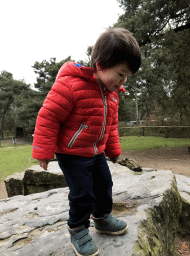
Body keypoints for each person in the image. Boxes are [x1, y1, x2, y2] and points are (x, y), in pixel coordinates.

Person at [32, 27, 141, 256]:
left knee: (104, 184)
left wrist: (113, 150)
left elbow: (110, 127)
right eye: (120, 74)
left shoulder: (112, 95)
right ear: (100, 65)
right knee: (83, 193)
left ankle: (102, 217)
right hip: (71, 154)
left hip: (96, 152)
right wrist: (43, 150)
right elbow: (48, 116)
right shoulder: (71, 85)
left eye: (126, 76)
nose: (123, 80)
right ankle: (78, 229)